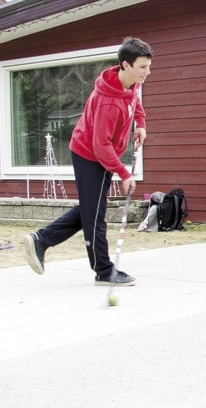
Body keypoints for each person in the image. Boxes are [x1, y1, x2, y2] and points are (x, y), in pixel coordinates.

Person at [23, 37, 154, 286]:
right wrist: (124, 173)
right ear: (125, 65)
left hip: (103, 154)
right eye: (142, 67)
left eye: (148, 67)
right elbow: (100, 146)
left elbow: (136, 102)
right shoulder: (108, 102)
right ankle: (104, 271)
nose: (147, 73)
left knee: (92, 210)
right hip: (88, 155)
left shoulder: (131, 83)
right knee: (95, 215)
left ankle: (41, 240)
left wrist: (141, 124)